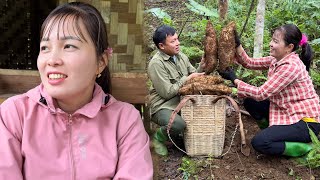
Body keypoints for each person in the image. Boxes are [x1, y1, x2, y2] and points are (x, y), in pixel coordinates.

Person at [0, 2, 153, 179]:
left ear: (101, 61)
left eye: (68, 46)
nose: (52, 60)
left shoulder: (125, 121)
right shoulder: (13, 115)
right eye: (45, 48)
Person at [219, 24, 320, 157]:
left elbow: (261, 93)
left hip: (305, 122)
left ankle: (305, 148)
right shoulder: (277, 59)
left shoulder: (291, 67)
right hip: (287, 111)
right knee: (250, 102)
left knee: (260, 142)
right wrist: (237, 44)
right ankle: (272, 131)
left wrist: (235, 79)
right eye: (272, 40)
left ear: (289, 47)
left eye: (276, 42)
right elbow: (249, 62)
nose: (271, 44)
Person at [147, 25, 205, 156]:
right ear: (161, 46)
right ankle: (157, 139)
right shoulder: (156, 64)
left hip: (182, 101)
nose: (178, 43)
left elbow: (193, 75)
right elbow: (166, 93)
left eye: (177, 39)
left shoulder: (180, 56)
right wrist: (187, 79)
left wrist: (201, 67)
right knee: (178, 125)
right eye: (173, 41)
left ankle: (178, 135)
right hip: (163, 106)